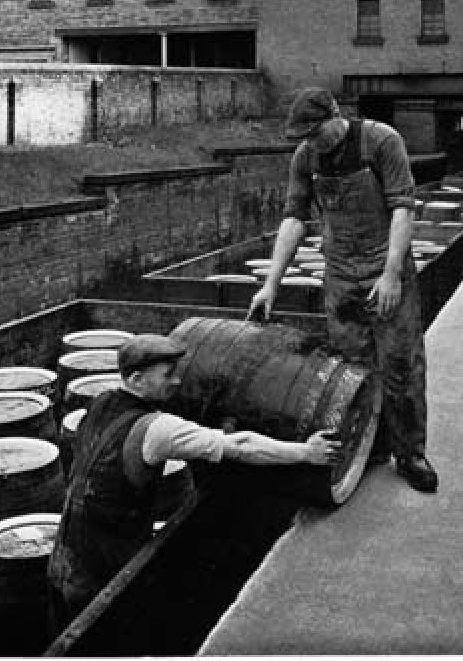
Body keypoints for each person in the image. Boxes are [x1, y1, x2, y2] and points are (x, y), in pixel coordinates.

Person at [47, 333, 343, 628]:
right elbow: (240, 446)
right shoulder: (158, 429)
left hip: (66, 554)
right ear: (137, 379)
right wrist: (304, 451)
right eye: (167, 375)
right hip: (108, 562)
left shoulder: (101, 401)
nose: (177, 381)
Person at [246, 87, 438, 494]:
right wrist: (270, 285)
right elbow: (294, 220)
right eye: (304, 137)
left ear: (336, 117)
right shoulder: (306, 158)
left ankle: (410, 453)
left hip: (384, 270)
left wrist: (391, 276)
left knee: (401, 365)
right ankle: (369, 446)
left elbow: (403, 209)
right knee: (352, 367)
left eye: (315, 133)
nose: (311, 142)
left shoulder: (382, 142)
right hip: (340, 276)